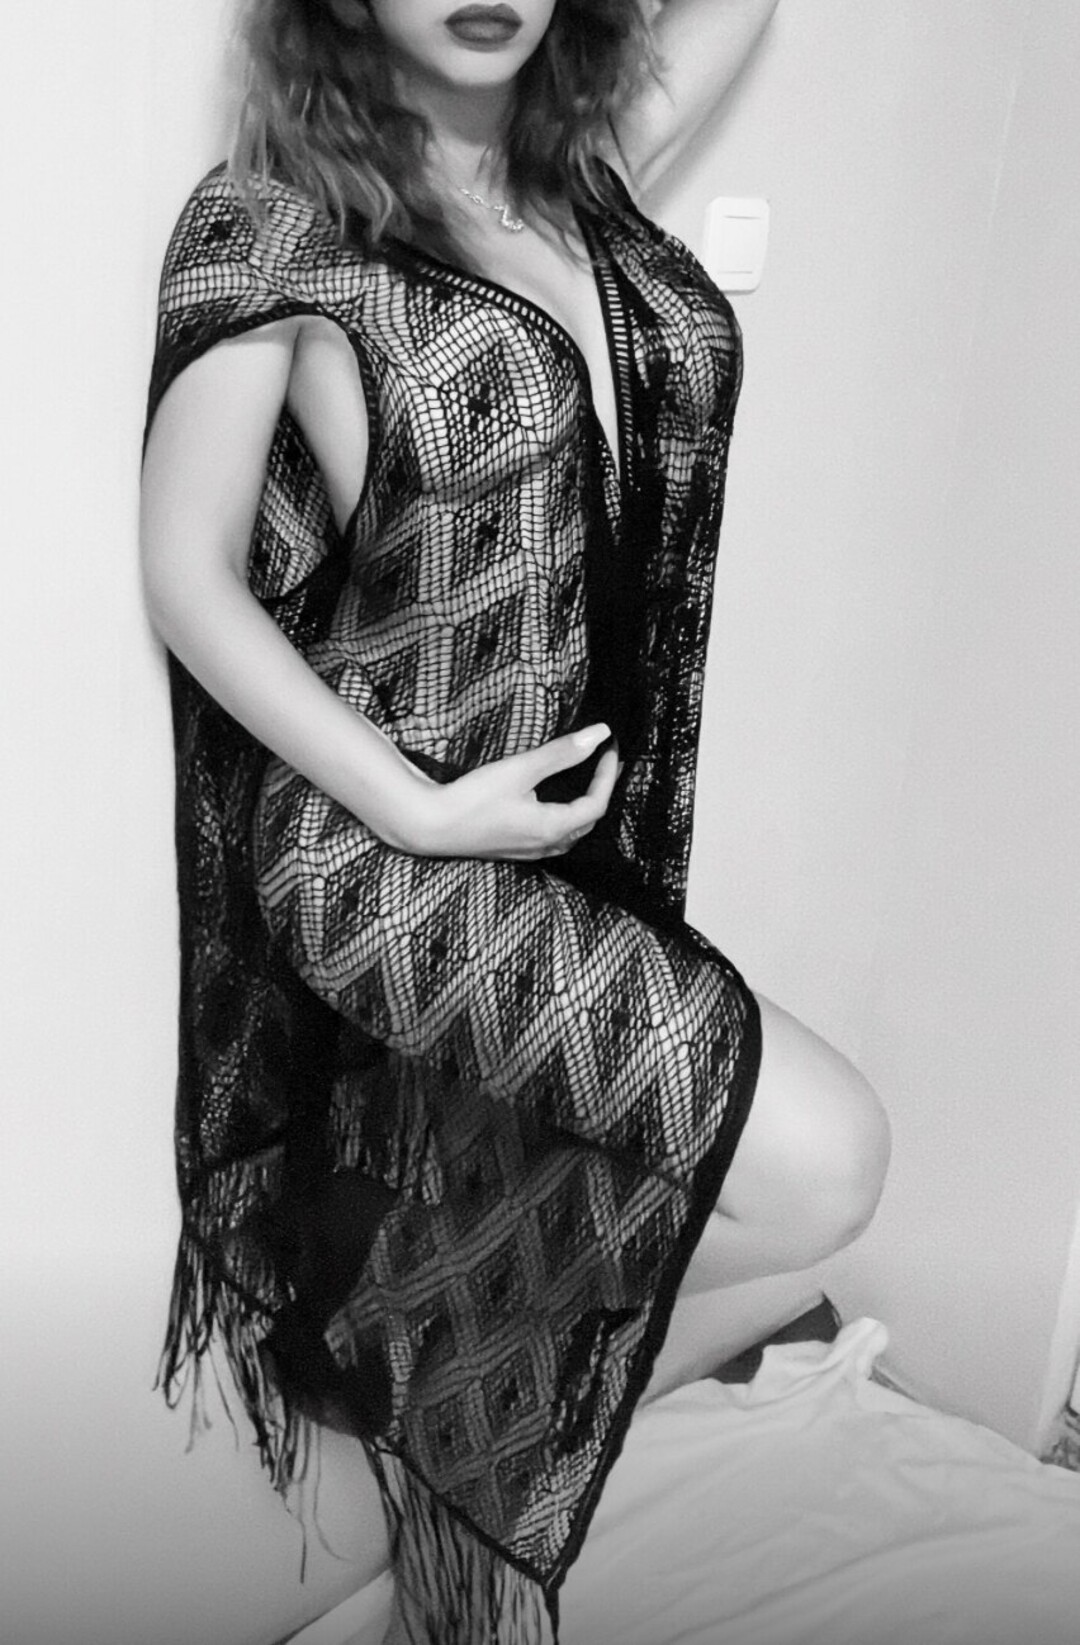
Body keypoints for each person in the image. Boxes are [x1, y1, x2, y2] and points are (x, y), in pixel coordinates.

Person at [140, 2, 891, 1640]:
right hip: (378, 855)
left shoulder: (584, 178)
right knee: (827, 1156)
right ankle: (381, 1322)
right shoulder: (277, 215)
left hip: (554, 858)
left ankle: (410, 1397)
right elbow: (188, 573)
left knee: (784, 1181)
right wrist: (420, 803)